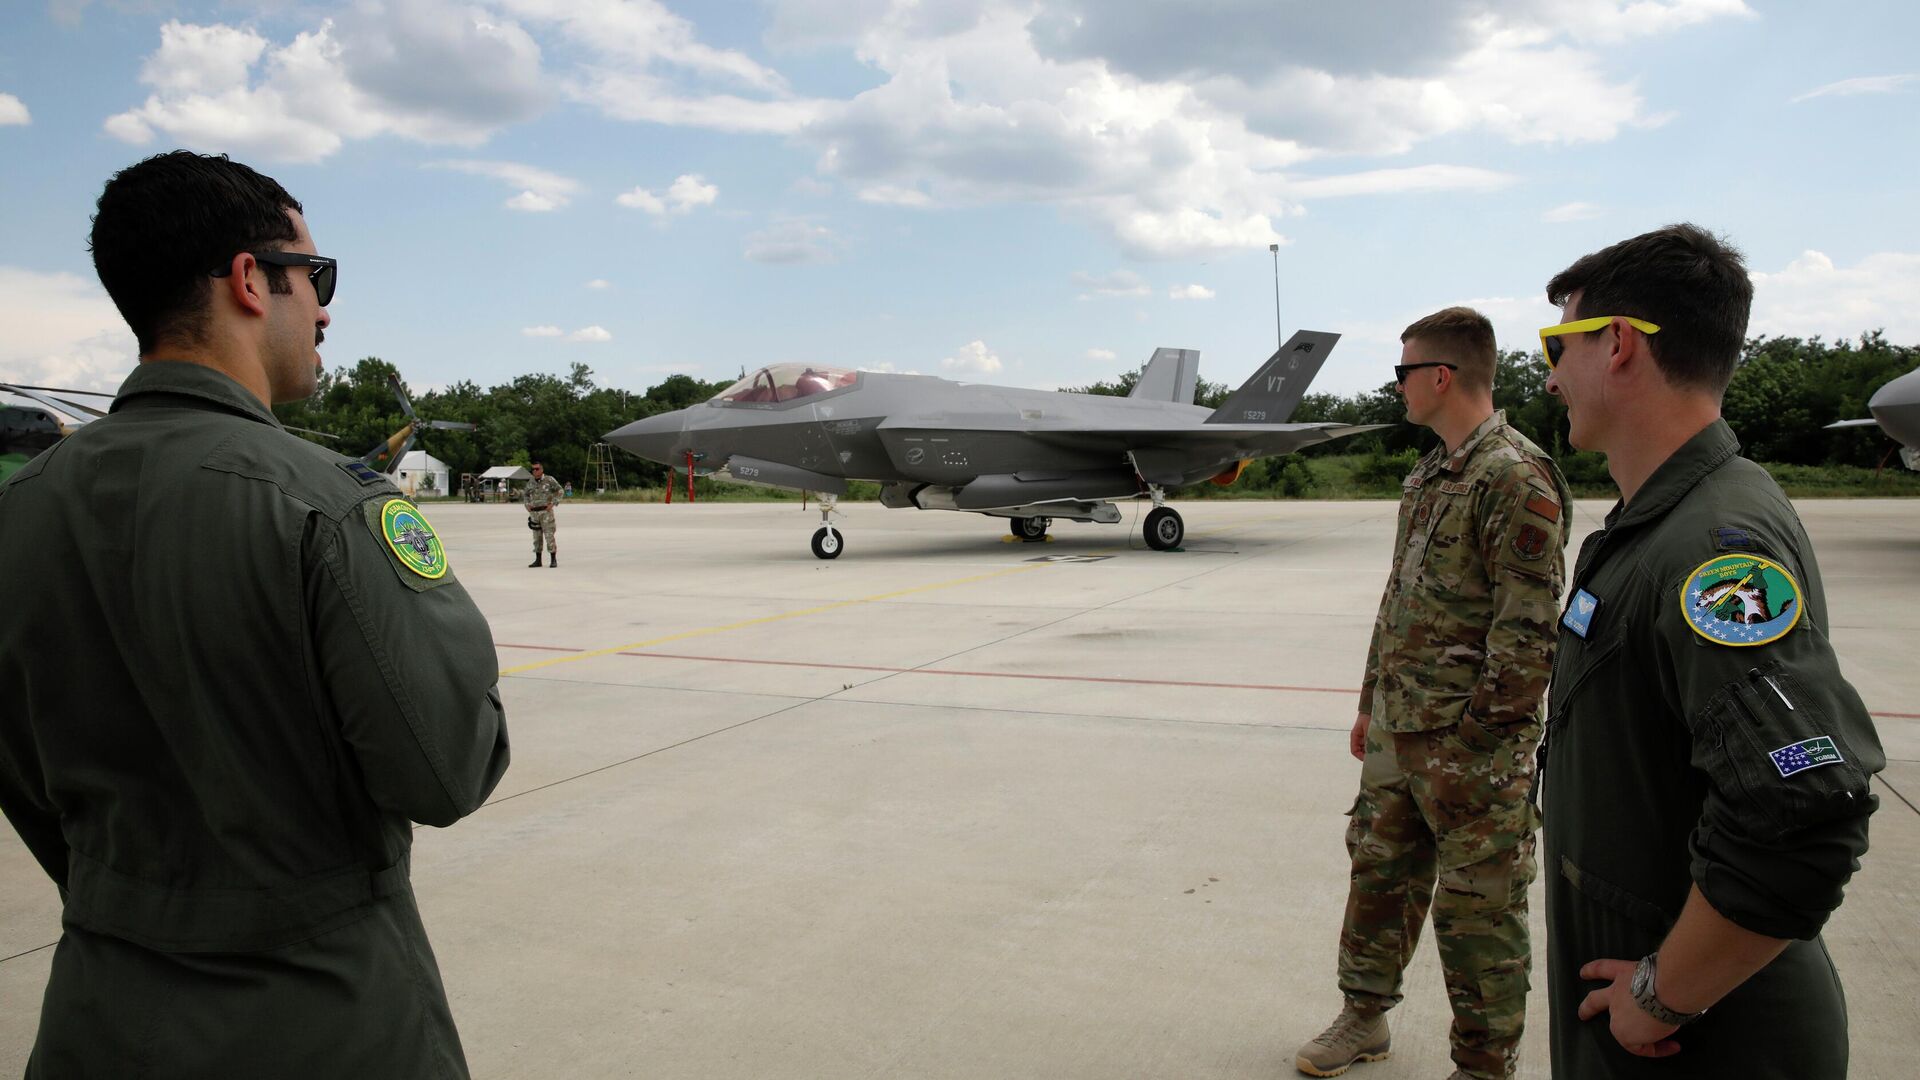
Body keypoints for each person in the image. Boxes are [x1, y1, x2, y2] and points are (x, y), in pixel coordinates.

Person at [0, 151, 510, 1078]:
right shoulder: (327, 503)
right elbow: (448, 768)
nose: (323, 308)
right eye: (313, 277)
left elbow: (28, 784)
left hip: (97, 1019)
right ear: (248, 279)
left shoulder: (19, 510)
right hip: (321, 1021)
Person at [1536, 224, 1883, 1077]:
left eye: (1559, 343)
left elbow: (1804, 811)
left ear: (1619, 345)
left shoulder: (1711, 547)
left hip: (1701, 1039)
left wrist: (1661, 993)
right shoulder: (1664, 519)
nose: (1549, 375)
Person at [1296, 307, 1571, 1080]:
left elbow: (1528, 634)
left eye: (1402, 372)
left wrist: (1478, 744)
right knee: (1379, 873)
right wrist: (1368, 701)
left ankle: (1483, 1064)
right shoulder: (1429, 471)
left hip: (1471, 746)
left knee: (1477, 908)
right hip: (1398, 727)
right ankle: (1364, 1018)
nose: (1397, 387)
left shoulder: (1515, 476)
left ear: (1441, 377)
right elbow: (1401, 601)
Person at [525, 461, 563, 566]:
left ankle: (553, 560)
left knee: (549, 536)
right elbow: (526, 495)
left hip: (546, 512)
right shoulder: (530, 482)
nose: (534, 471)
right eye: (532, 469)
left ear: (542, 470)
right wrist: (527, 505)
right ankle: (538, 560)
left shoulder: (549, 480)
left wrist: (553, 503)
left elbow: (560, 490)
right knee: (537, 537)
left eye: (537, 469)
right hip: (534, 513)